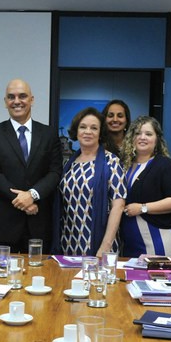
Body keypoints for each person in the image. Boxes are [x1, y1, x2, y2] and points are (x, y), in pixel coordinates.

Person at [0, 79, 63, 253]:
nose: (16, 101)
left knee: (39, 277)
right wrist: (22, 201)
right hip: (3, 225)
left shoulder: (49, 134)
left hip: (39, 222)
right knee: (1, 278)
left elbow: (55, 172)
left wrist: (32, 195)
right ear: (5, 102)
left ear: (32, 99)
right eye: (11, 97)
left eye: (22, 96)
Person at [54, 107, 126, 257]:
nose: (88, 131)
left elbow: (118, 207)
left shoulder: (111, 161)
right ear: (76, 131)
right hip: (68, 242)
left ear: (100, 133)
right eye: (83, 127)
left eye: (94, 128)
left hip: (100, 244)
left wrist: (105, 247)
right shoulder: (68, 163)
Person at [120, 116, 171, 258]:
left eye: (148, 134)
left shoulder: (165, 165)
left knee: (156, 278)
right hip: (130, 241)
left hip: (157, 238)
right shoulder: (125, 165)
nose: (142, 137)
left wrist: (143, 208)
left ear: (157, 139)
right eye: (138, 133)